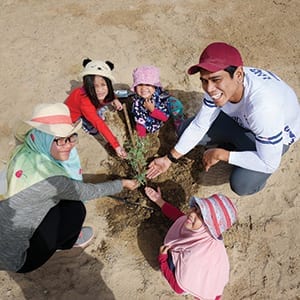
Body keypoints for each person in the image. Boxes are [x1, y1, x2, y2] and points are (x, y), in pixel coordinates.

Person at [0, 103, 139, 273]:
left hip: (6, 236)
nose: (68, 145)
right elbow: (88, 191)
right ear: (42, 138)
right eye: (59, 139)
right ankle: (66, 242)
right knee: (75, 209)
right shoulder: (53, 180)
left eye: (71, 137)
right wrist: (122, 183)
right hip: (18, 260)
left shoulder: (23, 151)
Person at [147, 42, 300, 196]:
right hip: (241, 121)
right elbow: (200, 126)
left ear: (239, 75)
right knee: (185, 131)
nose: (209, 88)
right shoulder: (219, 84)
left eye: (215, 80)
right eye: (204, 80)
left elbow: (269, 163)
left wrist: (222, 154)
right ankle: (234, 143)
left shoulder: (263, 109)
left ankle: (247, 162)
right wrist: (168, 159)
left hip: (274, 135)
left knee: (242, 184)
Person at [145, 186, 237, 300]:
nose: (192, 214)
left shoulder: (194, 256)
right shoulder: (203, 232)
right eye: (195, 208)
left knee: (172, 263)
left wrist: (162, 260)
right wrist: (158, 200)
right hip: (208, 274)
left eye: (200, 216)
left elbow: (178, 289)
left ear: (209, 227)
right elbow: (178, 216)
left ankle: (189, 283)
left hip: (194, 282)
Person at [65, 58, 127, 159]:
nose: (99, 90)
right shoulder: (84, 102)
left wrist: (115, 100)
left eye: (103, 85)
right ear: (88, 86)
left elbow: (110, 93)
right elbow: (99, 124)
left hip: (92, 107)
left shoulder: (104, 93)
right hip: (76, 114)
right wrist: (116, 146)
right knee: (93, 124)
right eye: (95, 87)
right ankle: (87, 125)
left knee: (104, 103)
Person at [131, 65, 184, 137]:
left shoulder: (160, 99)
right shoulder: (137, 103)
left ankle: (179, 127)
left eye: (148, 84)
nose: (143, 88)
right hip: (153, 119)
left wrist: (152, 110)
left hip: (169, 109)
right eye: (140, 84)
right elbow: (140, 120)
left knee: (176, 107)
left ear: (154, 87)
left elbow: (164, 118)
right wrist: (141, 137)